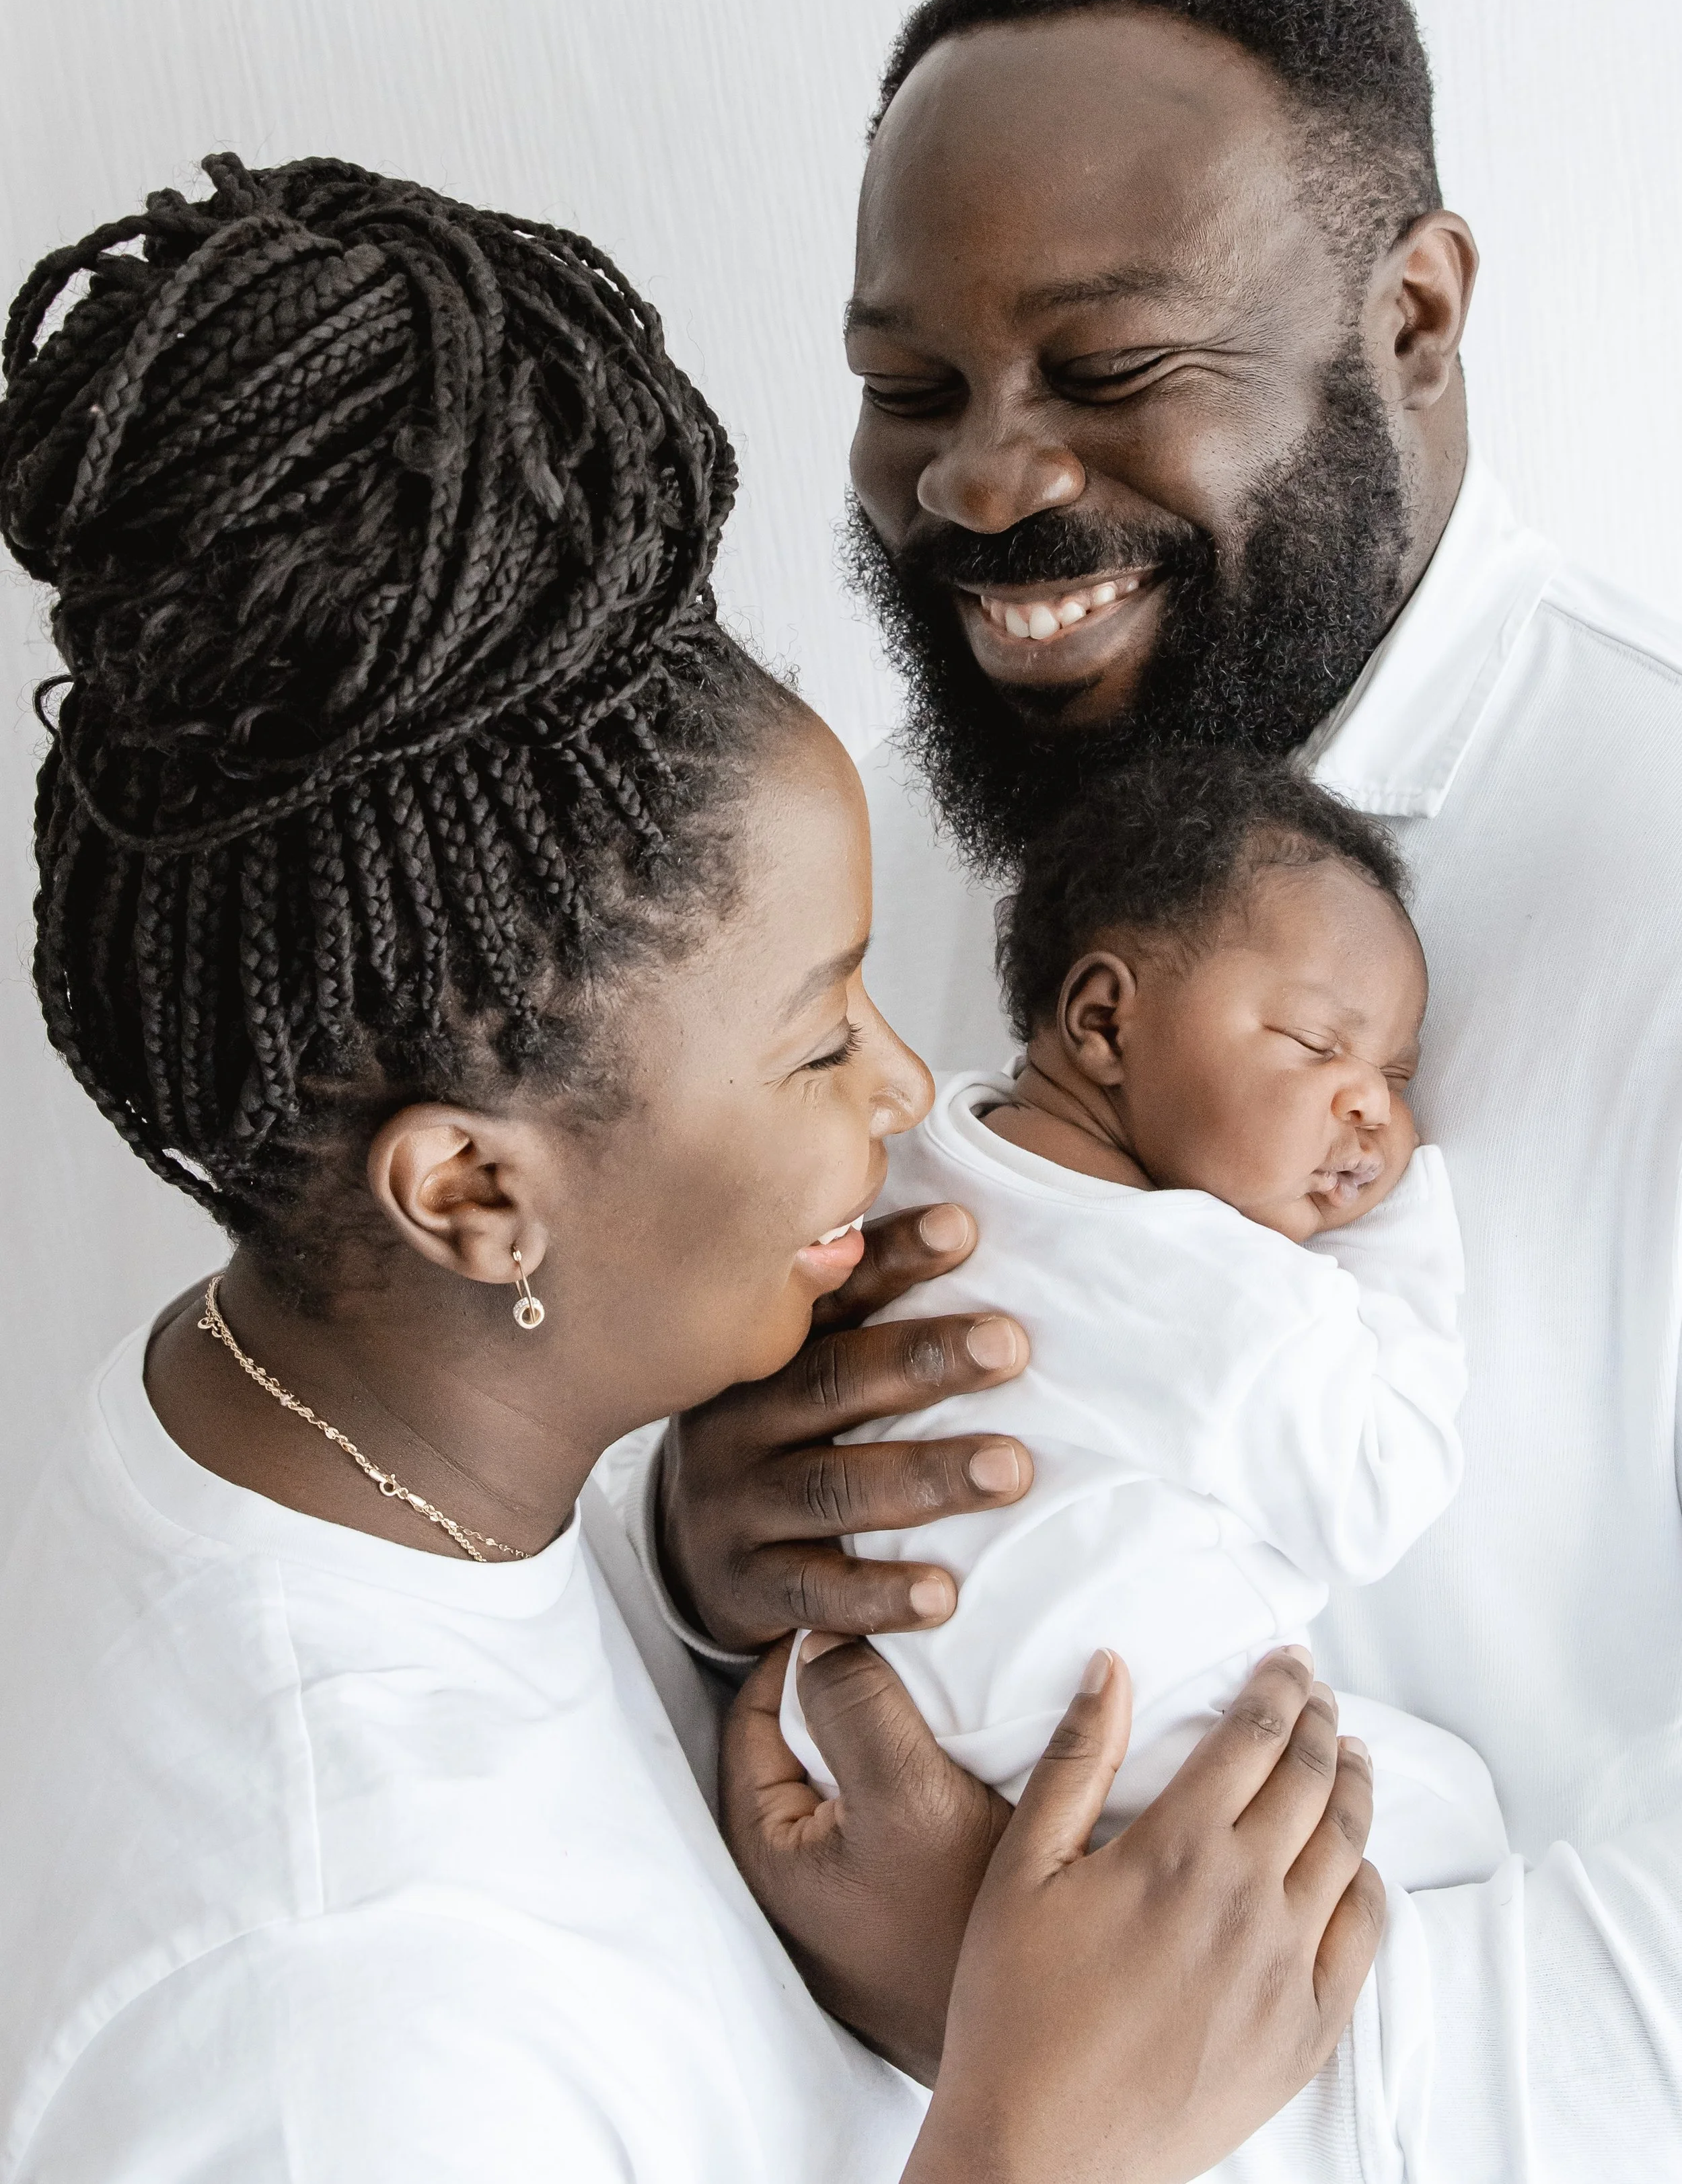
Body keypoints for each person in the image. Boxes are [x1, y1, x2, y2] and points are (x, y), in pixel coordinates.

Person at [0, 153, 1382, 2182]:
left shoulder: (317, 1422)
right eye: (821, 1031)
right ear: (472, 1194)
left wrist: (671, 1574)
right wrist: (1035, 2135)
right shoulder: (334, 2025)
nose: (906, 1082)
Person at [654, 0, 1682, 2172]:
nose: (979, 483)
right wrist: (708, 1538)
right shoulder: (919, 844)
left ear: (1410, 315)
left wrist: (1042, 2033)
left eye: (1107, 371)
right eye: (910, 389)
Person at [782, 749, 1506, 1900]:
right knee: (1457, 1808)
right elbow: (1380, 1487)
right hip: (1124, 1773)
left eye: (1396, 1076)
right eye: (1320, 1046)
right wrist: (1400, 1233)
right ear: (1106, 1020)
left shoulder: (904, 1169)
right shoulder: (1224, 1287)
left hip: (838, 1740)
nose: (1372, 1106)